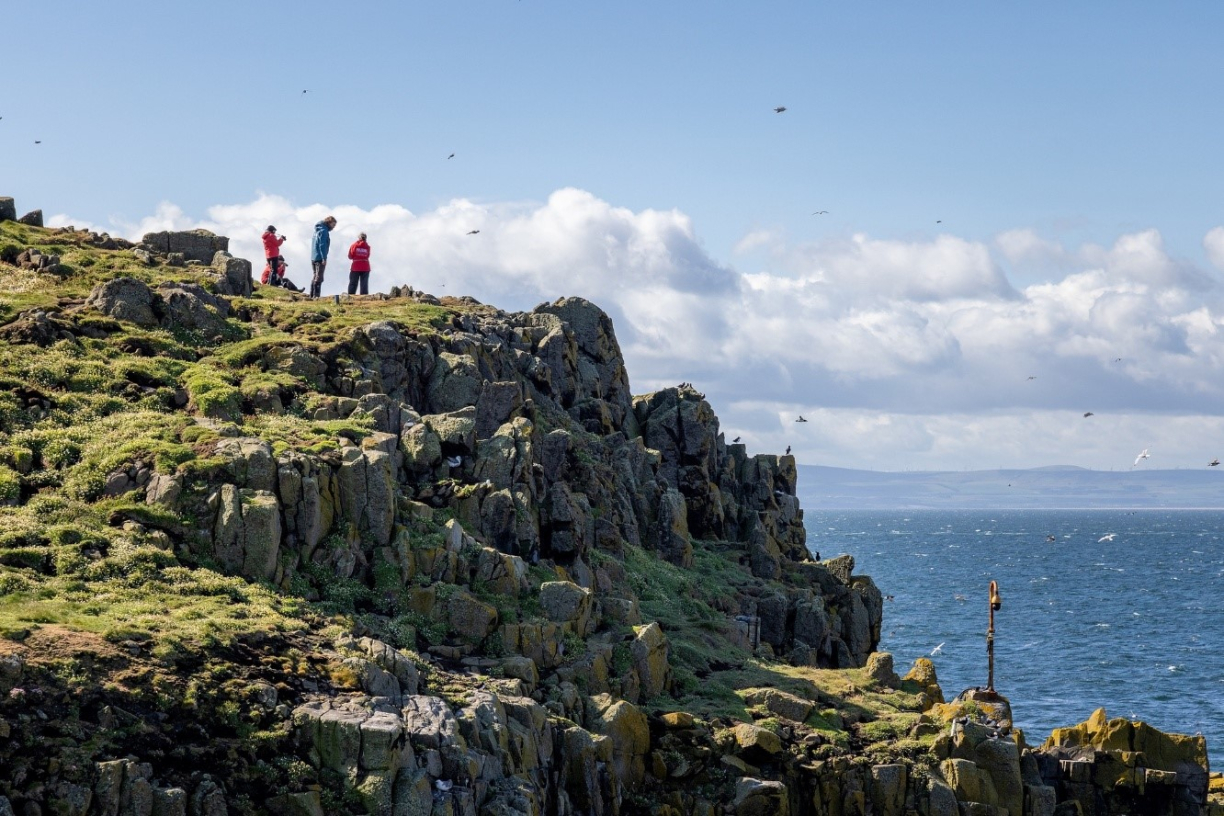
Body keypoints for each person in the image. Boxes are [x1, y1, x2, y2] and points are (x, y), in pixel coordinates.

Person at [309, 215, 337, 299]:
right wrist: (324, 258)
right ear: (329, 223)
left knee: (315, 275)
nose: (333, 227)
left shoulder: (317, 230)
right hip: (320, 257)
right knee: (319, 276)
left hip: (314, 256)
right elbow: (322, 245)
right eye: (333, 225)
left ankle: (312, 294)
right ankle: (316, 295)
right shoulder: (324, 231)